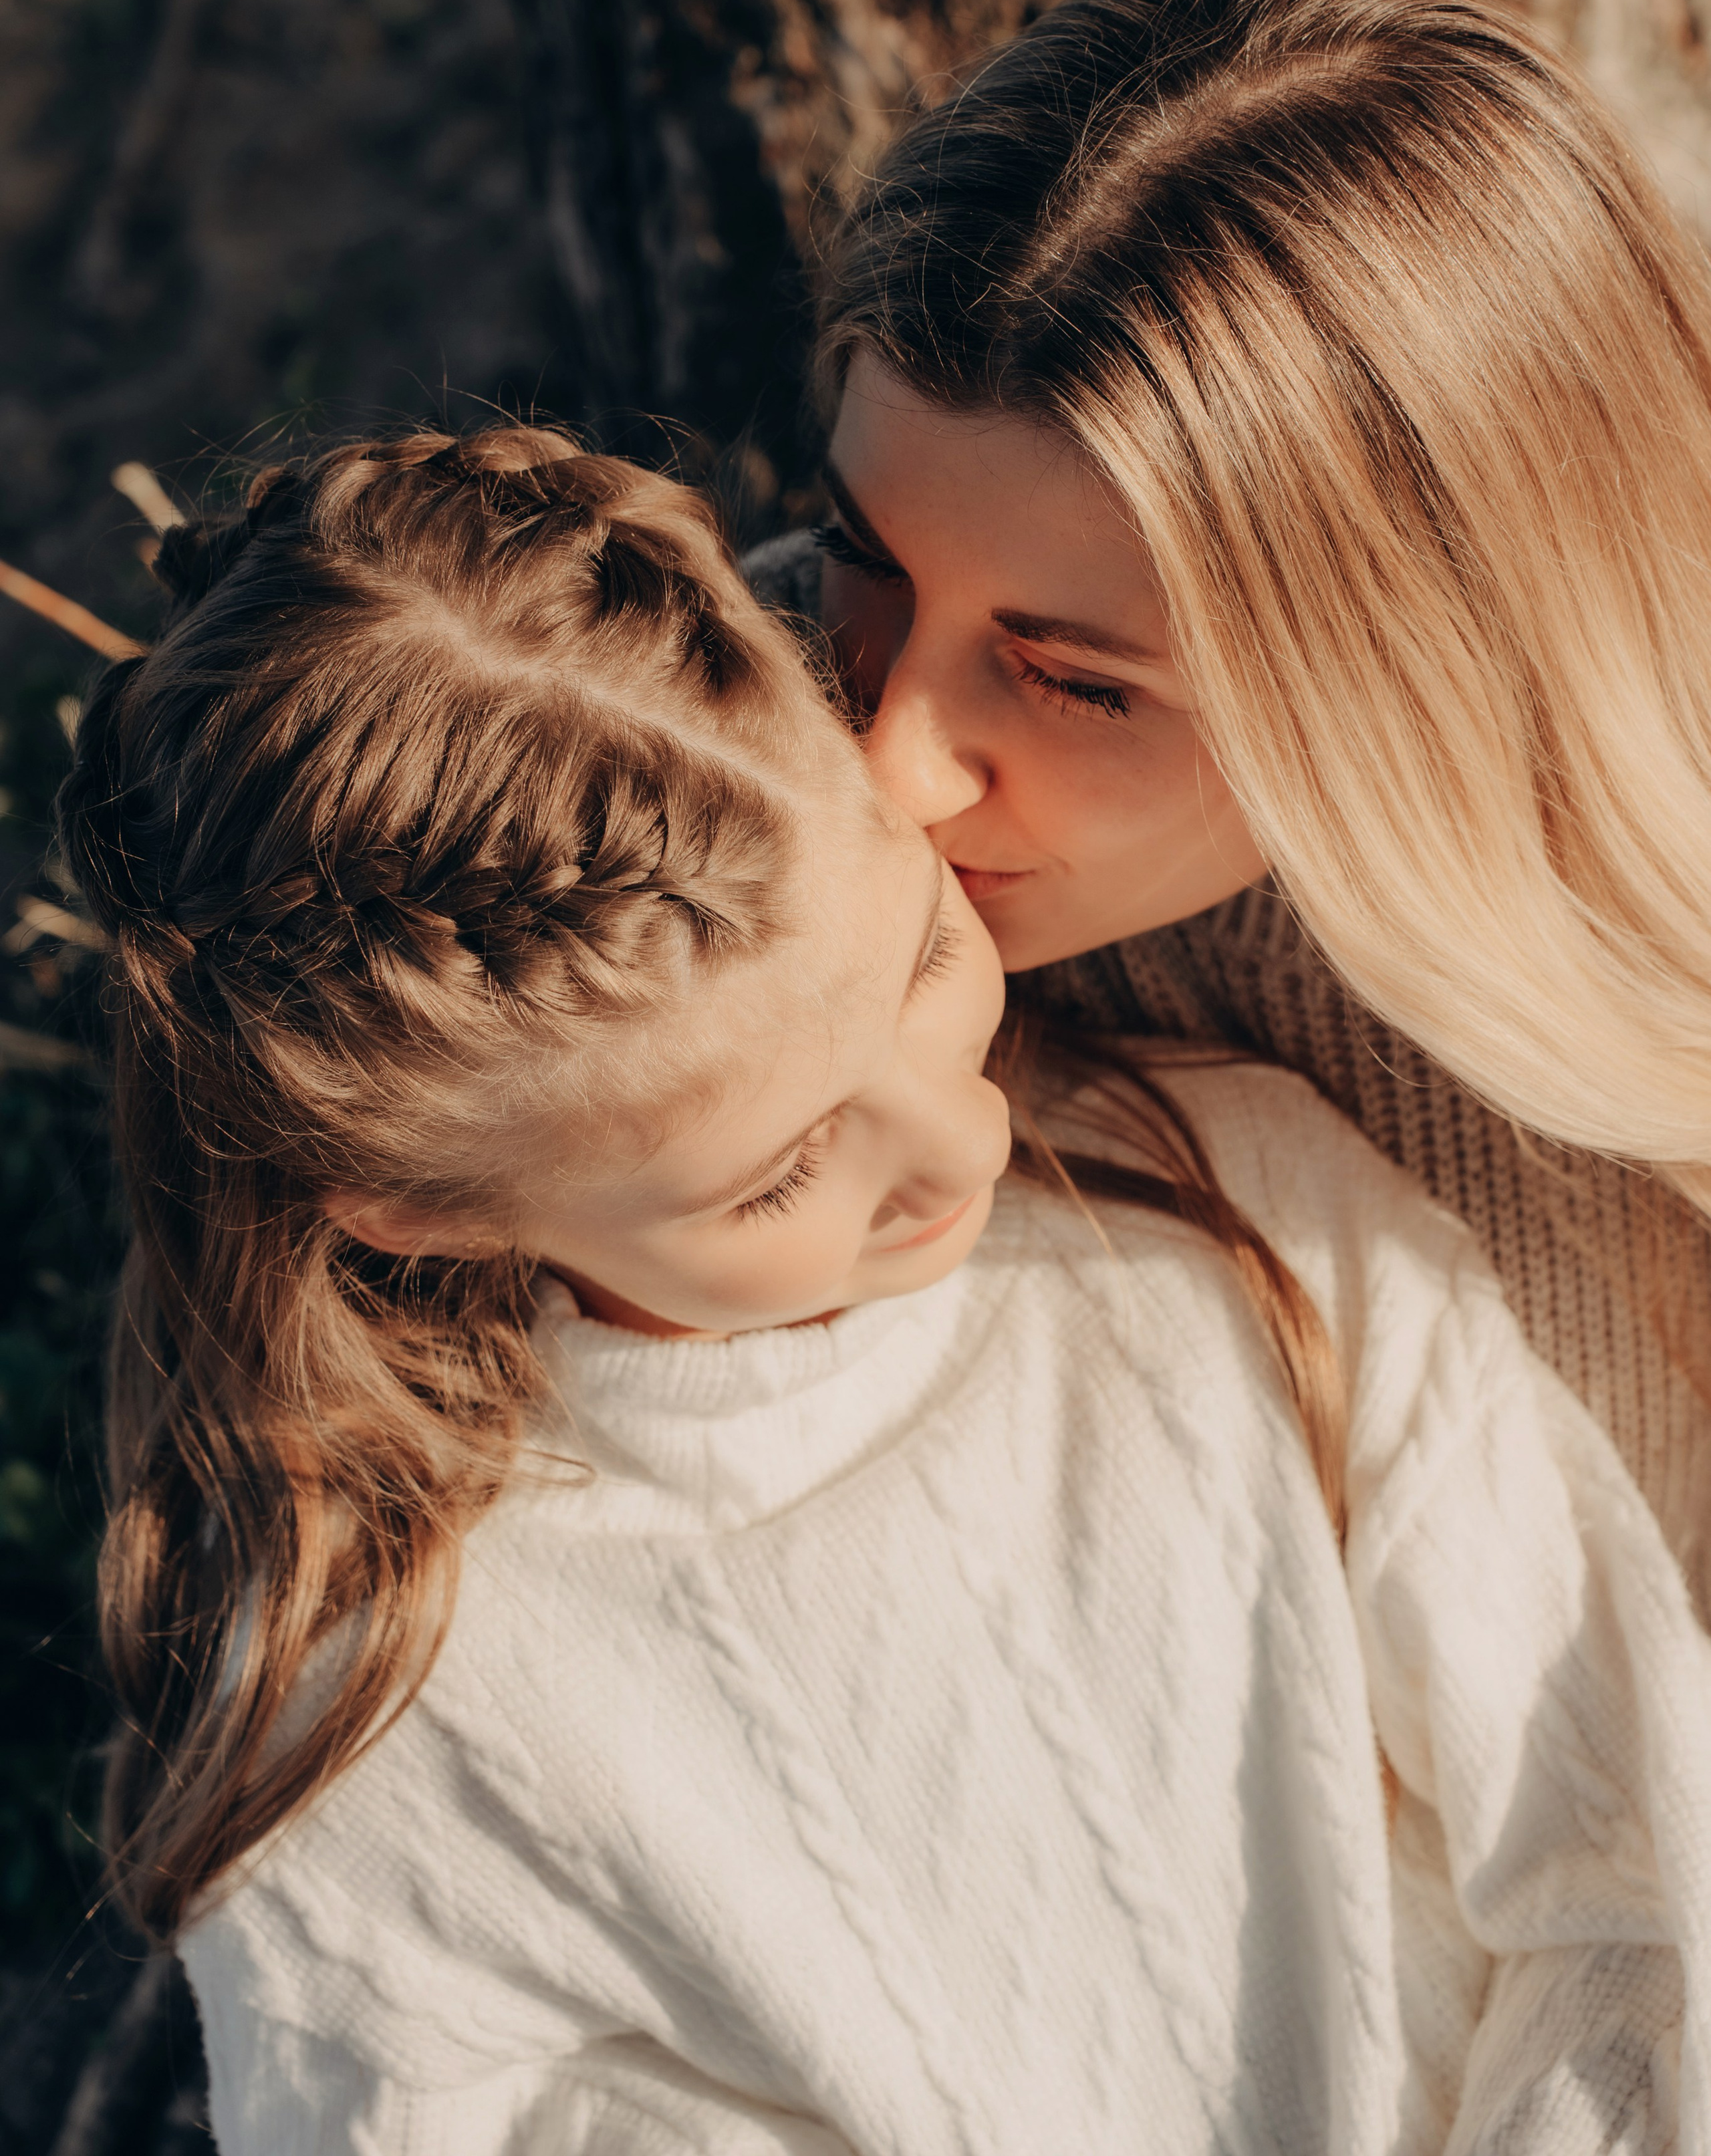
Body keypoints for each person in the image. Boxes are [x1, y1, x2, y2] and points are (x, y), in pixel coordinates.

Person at [58, 426, 1711, 2153]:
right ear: (422, 1209)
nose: (967, 1144)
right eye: (777, 1171)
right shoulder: (411, 1707)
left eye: (928, 954)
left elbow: (1639, 1869)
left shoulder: (1237, 1198)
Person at [749, 0, 1711, 1621]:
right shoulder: (676, 739)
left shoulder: (1627, 1050)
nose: (887, 764)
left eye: (1072, 681)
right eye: (859, 547)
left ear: (1423, 681)